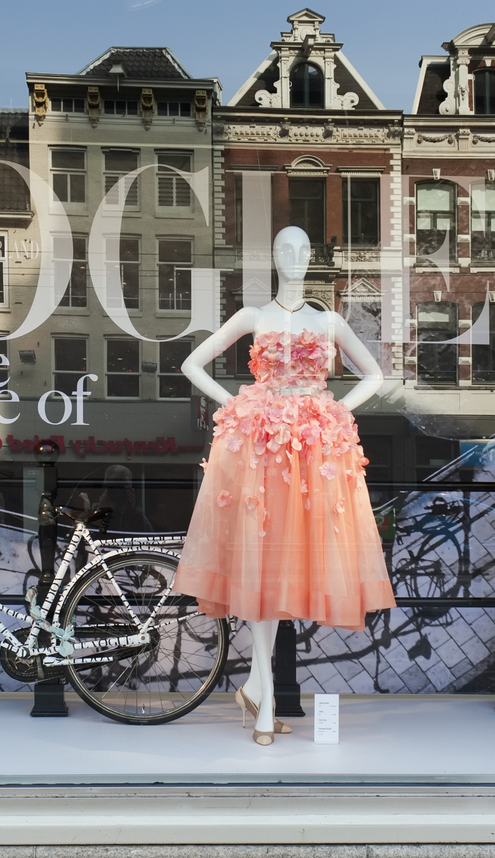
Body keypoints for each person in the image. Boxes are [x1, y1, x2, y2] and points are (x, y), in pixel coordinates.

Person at [173, 225, 396, 746]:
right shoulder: (254, 316)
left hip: (312, 452)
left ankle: (257, 687)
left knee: (283, 567)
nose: (294, 258)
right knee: (260, 563)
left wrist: (335, 410)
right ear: (272, 257)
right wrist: (235, 404)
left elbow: (374, 375)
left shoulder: (329, 319)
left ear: (311, 256)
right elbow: (191, 363)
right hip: (261, 449)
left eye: (302, 250)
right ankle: (266, 699)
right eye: (284, 250)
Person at [97, 464, 153, 532]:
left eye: (123, 486)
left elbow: (148, 538)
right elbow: (88, 535)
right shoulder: (94, 512)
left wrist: (133, 512)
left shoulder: (137, 515)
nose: (118, 491)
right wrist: (101, 513)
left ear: (131, 489)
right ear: (105, 487)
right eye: (114, 486)